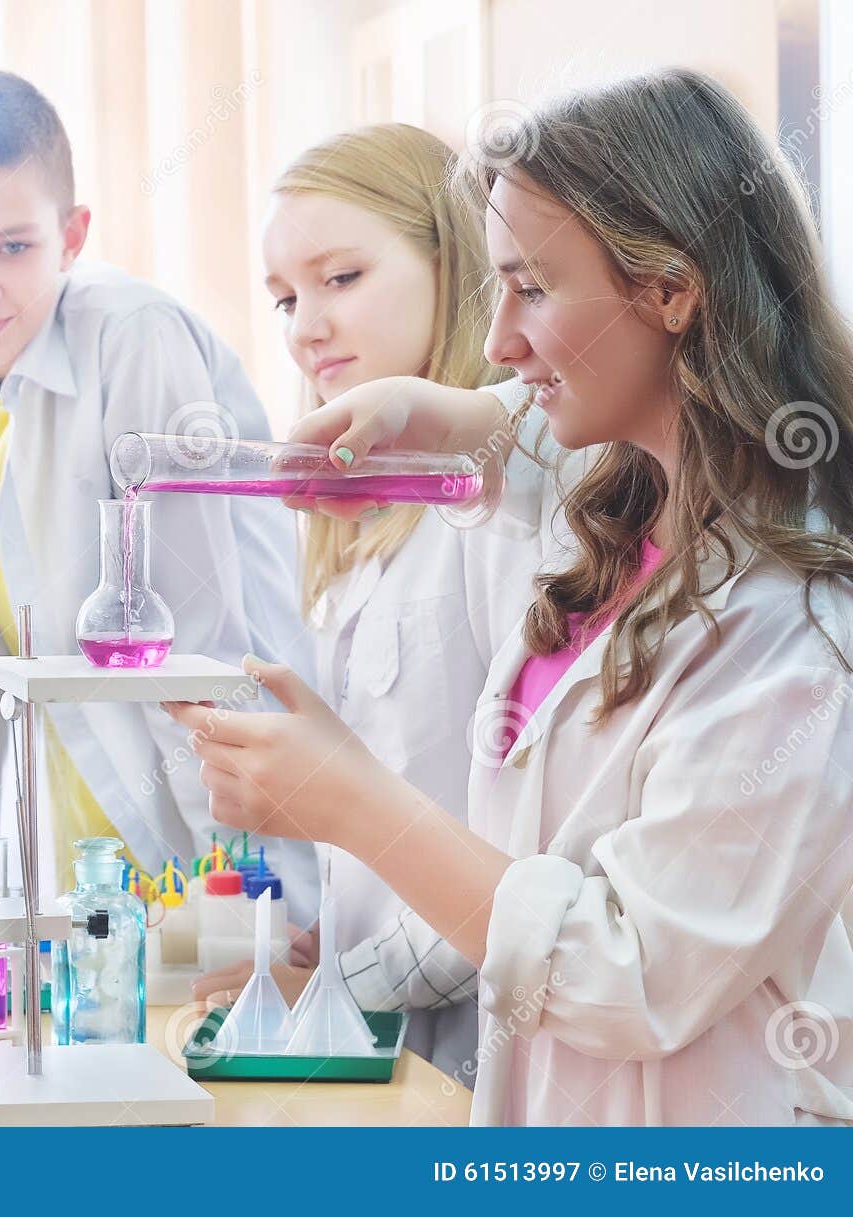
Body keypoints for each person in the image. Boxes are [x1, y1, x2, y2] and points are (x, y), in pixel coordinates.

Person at [168, 69, 853, 1124]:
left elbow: (624, 969)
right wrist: (428, 412)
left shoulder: (792, 625)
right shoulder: (621, 502)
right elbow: (520, 433)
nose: (495, 339)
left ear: (671, 288)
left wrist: (353, 803)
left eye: (531, 288)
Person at [0, 65, 316, 918]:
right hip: (41, 837)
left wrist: (243, 903)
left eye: (12, 247)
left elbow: (200, 650)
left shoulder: (134, 339)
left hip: (194, 818)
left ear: (72, 236)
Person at [191, 125, 539, 1088]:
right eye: (286, 298)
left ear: (456, 265)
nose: (305, 325)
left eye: (341, 277)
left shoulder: (500, 516)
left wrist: (344, 984)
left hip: (477, 1063)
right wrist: (318, 947)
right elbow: (397, 799)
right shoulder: (360, 527)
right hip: (388, 1049)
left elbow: (527, 863)